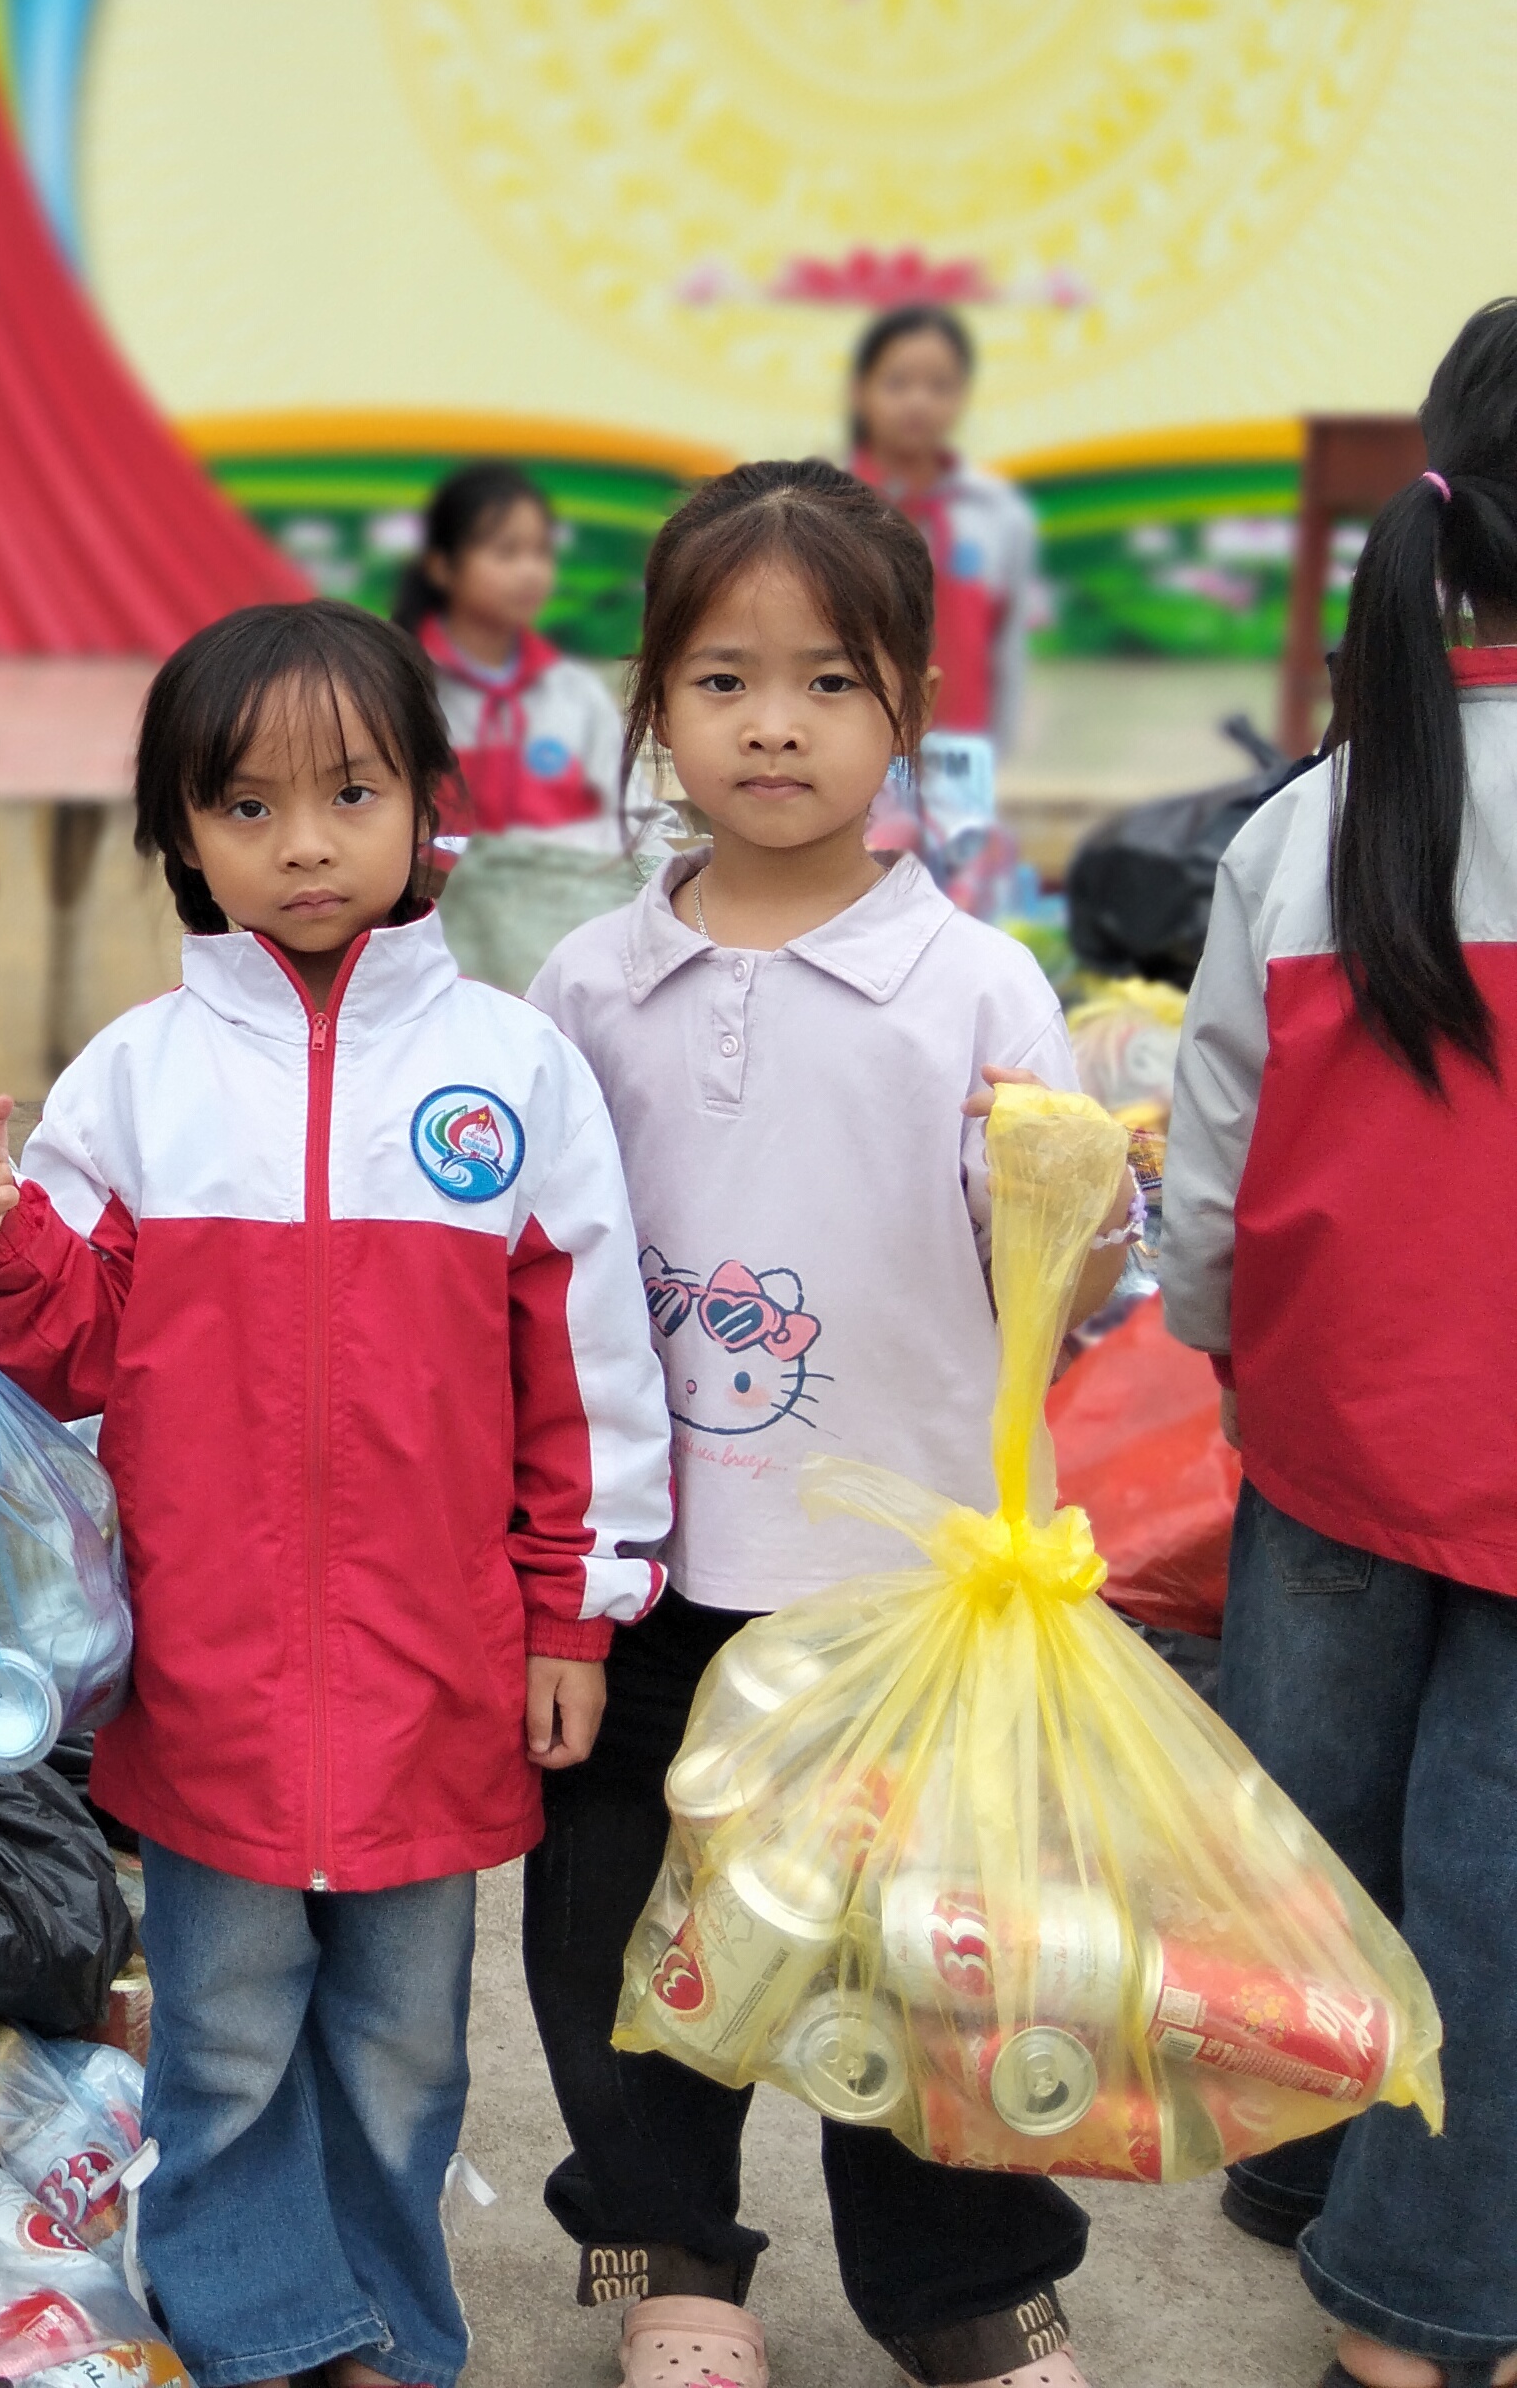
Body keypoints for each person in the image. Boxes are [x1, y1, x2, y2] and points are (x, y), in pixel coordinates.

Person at [0, 599, 668, 2388]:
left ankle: (387, 2326)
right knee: (227, 2037)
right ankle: (262, 2327)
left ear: (426, 801)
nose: (305, 843)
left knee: (408, 2045)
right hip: (209, 1669)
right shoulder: (136, 1077)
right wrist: (4, 1239)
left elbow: (590, 1376)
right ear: (181, 833)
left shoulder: (513, 1070)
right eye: (247, 806)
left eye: (350, 792)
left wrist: (572, 1614)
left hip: (439, 1666)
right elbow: (63, 1355)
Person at [521, 459, 1130, 2388]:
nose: (773, 723)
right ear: (655, 706)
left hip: (900, 1588)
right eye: (723, 678)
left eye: (829, 680)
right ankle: (676, 2264)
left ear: (911, 709)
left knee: (928, 1953)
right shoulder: (586, 984)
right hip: (651, 1577)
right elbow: (532, 1281)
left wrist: (1076, 1203)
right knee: (622, 1940)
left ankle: (964, 2292)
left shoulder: (978, 986)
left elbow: (1063, 1292)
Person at [1160, 298, 1517, 2388]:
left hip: (1326, 1435)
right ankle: (1420, 2309)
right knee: (1496, 1881)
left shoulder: (1310, 815)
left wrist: (1226, 1351)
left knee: (1308, 1833)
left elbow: (1213, 1150)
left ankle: (1303, 2165)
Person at [396, 458, 628, 850]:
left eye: (541, 552)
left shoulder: (575, 690)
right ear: (441, 567)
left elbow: (634, 817)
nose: (531, 572)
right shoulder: (401, 688)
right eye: (507, 552)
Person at [847, 305, 1037, 753]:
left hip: (961, 754)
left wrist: (998, 755)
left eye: (940, 385)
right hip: (852, 751)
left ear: (963, 395)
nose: (919, 401)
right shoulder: (828, 506)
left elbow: (1006, 648)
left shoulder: (997, 511)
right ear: (860, 392)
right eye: (897, 382)